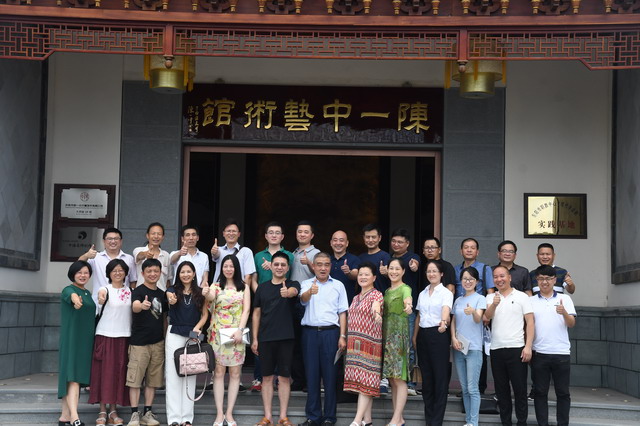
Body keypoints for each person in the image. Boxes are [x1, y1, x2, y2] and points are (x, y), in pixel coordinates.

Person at [251, 251, 301, 426]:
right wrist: (255, 338)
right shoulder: (262, 288)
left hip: (286, 337)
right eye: (276, 264)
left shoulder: (293, 284)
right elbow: (256, 313)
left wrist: (289, 292)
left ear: (287, 268)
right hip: (265, 338)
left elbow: (295, 292)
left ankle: (283, 417)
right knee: (266, 378)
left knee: (284, 378)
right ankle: (268, 417)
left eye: (283, 265)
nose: (279, 267)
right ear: (271, 266)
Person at [298, 252, 348, 426]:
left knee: (330, 376)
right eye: (319, 264)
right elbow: (302, 300)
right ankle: (313, 416)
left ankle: (329, 417)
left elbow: (342, 312)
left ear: (330, 266)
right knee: (311, 375)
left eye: (326, 264)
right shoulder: (306, 284)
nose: (323, 268)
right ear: (313, 266)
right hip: (310, 334)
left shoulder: (338, 285)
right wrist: (309, 292)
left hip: (331, 334)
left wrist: (342, 336)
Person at [485, 265, 534, 426]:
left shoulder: (522, 297)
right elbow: (486, 318)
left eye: (502, 276)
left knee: (520, 389)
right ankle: (505, 422)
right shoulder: (490, 297)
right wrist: (494, 304)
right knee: (501, 390)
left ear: (510, 277)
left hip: (517, 348)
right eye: (496, 277)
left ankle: (521, 422)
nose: (499, 279)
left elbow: (530, 322)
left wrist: (528, 346)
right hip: (496, 349)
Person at [251, 221, 295, 393]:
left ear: (282, 236)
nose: (274, 235)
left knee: (281, 341)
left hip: (283, 299)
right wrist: (260, 293)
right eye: (271, 232)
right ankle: (258, 377)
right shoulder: (257, 256)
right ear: (266, 236)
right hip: (263, 298)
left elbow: (290, 278)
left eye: (277, 232)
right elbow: (253, 278)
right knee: (261, 339)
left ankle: (279, 378)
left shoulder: (289, 256)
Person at [530, 265, 577, 426]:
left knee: (563, 393)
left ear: (554, 280)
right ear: (537, 280)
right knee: (540, 392)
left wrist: (564, 312)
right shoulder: (531, 301)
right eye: (541, 279)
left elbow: (571, 324)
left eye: (548, 279)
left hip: (561, 353)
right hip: (539, 353)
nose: (545, 282)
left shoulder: (565, 299)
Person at [207, 254, 251, 426]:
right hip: (218, 334)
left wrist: (240, 330)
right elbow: (210, 299)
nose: (228, 269)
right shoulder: (215, 286)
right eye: (225, 266)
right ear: (221, 268)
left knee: (235, 373)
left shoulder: (244, 287)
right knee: (218, 373)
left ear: (236, 268)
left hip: (236, 334)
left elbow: (246, 310)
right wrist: (206, 292)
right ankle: (219, 413)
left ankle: (229, 413)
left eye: (231, 266)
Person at [164, 261, 209, 426]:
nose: (185, 274)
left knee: (190, 374)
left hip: (192, 335)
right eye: (182, 272)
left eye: (189, 271)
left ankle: (187, 418)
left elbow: (205, 314)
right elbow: (170, 298)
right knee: (173, 376)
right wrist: (171, 299)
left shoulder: (200, 292)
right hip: (175, 333)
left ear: (194, 274)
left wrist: (197, 328)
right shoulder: (172, 290)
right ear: (178, 274)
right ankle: (174, 419)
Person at [89, 259, 132, 426]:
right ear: (109, 273)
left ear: (126, 272)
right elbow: (101, 298)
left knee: (118, 375)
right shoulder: (104, 289)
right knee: (103, 374)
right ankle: (102, 410)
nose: (118, 273)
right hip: (105, 336)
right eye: (114, 270)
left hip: (124, 336)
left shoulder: (130, 291)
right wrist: (101, 299)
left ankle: (113, 411)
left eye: (121, 270)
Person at [126, 258, 168, 426]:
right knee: (135, 380)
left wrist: (165, 338)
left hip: (158, 343)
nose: (152, 274)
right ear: (142, 273)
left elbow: (164, 318)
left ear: (160, 273)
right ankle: (134, 414)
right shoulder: (137, 291)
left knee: (153, 381)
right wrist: (141, 305)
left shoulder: (162, 294)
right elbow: (135, 306)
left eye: (156, 271)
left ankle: (147, 413)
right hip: (139, 344)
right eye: (149, 271)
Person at [380, 228, 420, 395]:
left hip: (404, 314)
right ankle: (390, 379)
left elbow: (415, 268)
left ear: (407, 244)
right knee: (389, 348)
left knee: (407, 347)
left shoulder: (412, 258)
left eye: (400, 242)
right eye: (394, 241)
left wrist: (409, 306)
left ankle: (408, 382)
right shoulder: (388, 260)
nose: (396, 244)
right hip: (389, 315)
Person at [413, 260, 453, 426]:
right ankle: (429, 419)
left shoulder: (446, 293)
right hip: (423, 335)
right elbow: (419, 316)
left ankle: (436, 421)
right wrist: (415, 337)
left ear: (441, 274)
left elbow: (446, 309)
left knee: (440, 378)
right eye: (429, 271)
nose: (431, 274)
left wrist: (443, 322)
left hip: (439, 334)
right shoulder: (422, 293)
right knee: (427, 380)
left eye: (434, 271)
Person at [343, 262, 383, 426]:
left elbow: (376, 307)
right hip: (355, 346)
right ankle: (367, 420)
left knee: (366, 382)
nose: (363, 277)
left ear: (374, 277)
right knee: (362, 384)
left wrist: (377, 314)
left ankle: (357, 420)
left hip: (369, 346)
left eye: (367, 274)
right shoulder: (355, 297)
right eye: (360, 274)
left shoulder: (377, 295)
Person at [454, 237, 495, 395]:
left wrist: (486, 315)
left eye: (472, 247)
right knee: (461, 351)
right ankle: (466, 389)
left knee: (478, 352)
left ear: (477, 251)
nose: (469, 250)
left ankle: (479, 389)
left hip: (478, 314)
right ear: (461, 251)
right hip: (461, 315)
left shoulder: (485, 269)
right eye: (466, 247)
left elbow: (490, 291)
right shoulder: (456, 269)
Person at [58, 261, 96, 426]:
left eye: (86, 272)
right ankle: (74, 417)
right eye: (79, 272)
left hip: (85, 342)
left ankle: (64, 416)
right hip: (72, 339)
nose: (83, 275)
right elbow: (72, 297)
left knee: (74, 377)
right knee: (72, 377)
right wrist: (76, 300)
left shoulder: (87, 292)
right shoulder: (68, 290)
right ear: (73, 274)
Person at [450, 266, 487, 426]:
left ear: (477, 282)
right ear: (461, 281)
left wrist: (473, 311)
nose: (468, 282)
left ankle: (474, 422)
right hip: (459, 347)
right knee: (464, 388)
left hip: (474, 348)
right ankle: (468, 421)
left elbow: (479, 319)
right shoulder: (458, 300)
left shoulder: (480, 298)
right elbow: (453, 321)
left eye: (471, 279)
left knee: (473, 388)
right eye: (465, 279)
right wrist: (453, 338)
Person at [290, 220, 320, 391]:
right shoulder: (292, 254)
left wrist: (309, 263)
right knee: (294, 342)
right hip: (293, 300)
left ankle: (310, 381)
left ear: (312, 235)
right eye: (299, 231)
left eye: (306, 232)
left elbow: (322, 274)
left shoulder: (316, 253)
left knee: (308, 343)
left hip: (309, 301)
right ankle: (298, 380)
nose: (302, 234)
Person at [382, 258, 412, 426]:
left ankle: (396, 419)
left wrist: (408, 306)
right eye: (391, 268)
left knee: (399, 378)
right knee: (392, 379)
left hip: (399, 338)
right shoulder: (387, 291)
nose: (394, 272)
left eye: (397, 269)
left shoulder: (405, 288)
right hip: (387, 337)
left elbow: (408, 300)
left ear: (403, 271)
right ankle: (398, 418)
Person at [79, 227, 136, 307]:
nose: (113, 241)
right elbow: (78, 266)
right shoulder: (96, 257)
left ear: (121, 241)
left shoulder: (129, 259)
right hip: (100, 303)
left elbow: (133, 281)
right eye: (109, 239)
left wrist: (131, 298)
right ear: (103, 241)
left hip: (122, 303)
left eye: (116, 238)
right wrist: (86, 255)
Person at [211, 218, 256, 284]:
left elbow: (248, 276)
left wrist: (245, 289)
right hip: (218, 288)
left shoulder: (246, 251)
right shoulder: (219, 250)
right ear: (223, 233)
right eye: (228, 231)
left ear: (239, 234)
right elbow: (215, 255)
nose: (231, 233)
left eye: (234, 231)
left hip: (238, 289)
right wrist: (214, 252)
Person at [133, 222, 171, 291]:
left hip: (161, 294)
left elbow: (167, 280)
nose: (156, 236)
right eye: (153, 233)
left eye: (159, 234)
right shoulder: (138, 250)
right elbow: (139, 256)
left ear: (163, 237)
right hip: (142, 294)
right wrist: (145, 254)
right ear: (147, 235)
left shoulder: (166, 255)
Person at [329, 230, 360, 304]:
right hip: (329, 303)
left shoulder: (354, 259)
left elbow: (356, 275)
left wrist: (348, 272)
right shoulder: (327, 260)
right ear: (331, 243)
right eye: (335, 240)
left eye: (341, 240)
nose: (338, 243)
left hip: (348, 302)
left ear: (347, 243)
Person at [358, 223, 390, 294]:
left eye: (373, 237)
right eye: (367, 237)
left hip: (381, 297)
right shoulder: (360, 258)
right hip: (363, 297)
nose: (370, 240)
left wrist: (387, 273)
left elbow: (393, 276)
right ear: (363, 238)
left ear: (379, 238)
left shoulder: (385, 256)